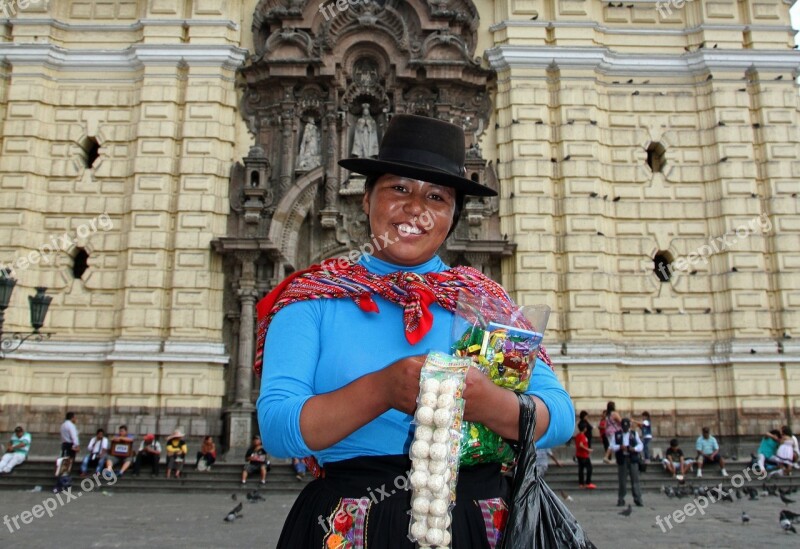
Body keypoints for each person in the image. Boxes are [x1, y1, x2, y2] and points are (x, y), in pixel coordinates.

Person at [256, 114, 574, 547]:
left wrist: (486, 402)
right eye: (398, 189)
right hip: (351, 526)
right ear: (366, 199)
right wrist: (383, 390)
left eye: (437, 197)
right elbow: (278, 428)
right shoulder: (312, 299)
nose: (416, 208)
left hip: (476, 528)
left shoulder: (485, 302)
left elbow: (559, 416)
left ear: (453, 215)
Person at [610, 417, 643, 507]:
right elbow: (612, 446)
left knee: (635, 480)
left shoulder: (634, 434)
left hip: (632, 458)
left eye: (627, 426)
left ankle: (637, 498)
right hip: (622, 458)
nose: (625, 428)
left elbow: (640, 445)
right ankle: (621, 499)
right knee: (622, 481)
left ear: (629, 426)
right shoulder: (616, 434)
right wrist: (619, 447)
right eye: (624, 426)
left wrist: (634, 449)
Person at [575, 421, 595, 489]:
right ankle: (588, 482)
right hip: (584, 455)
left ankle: (581, 483)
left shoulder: (577, 435)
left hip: (579, 454)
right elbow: (581, 445)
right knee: (589, 468)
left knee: (581, 469)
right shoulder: (582, 436)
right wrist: (588, 449)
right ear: (584, 428)